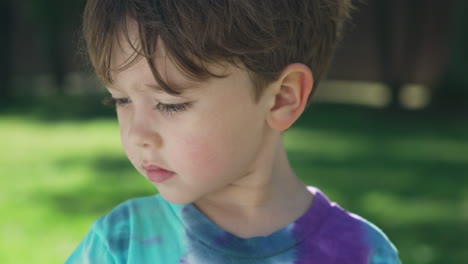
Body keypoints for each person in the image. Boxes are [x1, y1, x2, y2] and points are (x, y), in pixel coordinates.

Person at [66, 0, 400, 263]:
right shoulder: (120, 244)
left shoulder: (362, 253)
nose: (138, 134)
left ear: (282, 98)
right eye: (120, 101)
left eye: (170, 104)